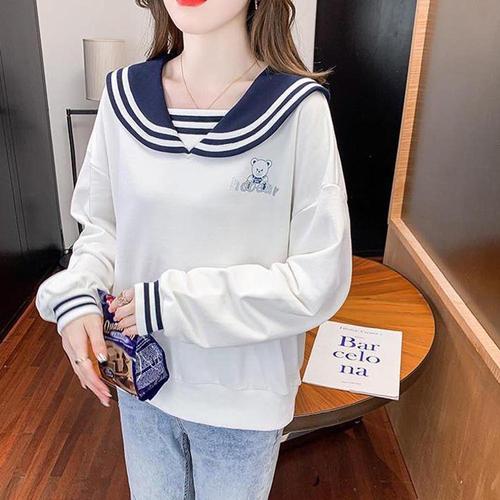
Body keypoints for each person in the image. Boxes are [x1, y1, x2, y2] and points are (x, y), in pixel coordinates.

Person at [35, 0, 352, 498]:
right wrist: (77, 296)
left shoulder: (298, 110)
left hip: (242, 397)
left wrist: (172, 303)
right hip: (143, 384)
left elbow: (318, 279)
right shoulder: (123, 97)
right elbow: (103, 229)